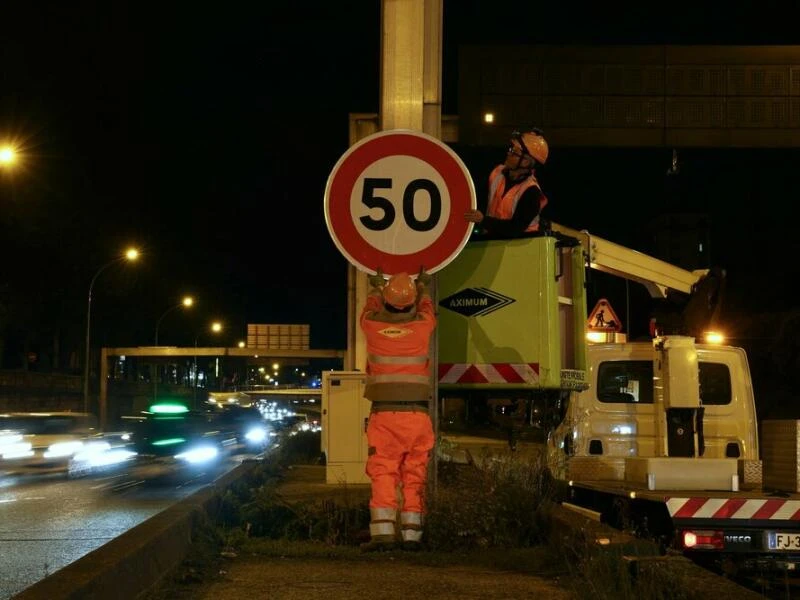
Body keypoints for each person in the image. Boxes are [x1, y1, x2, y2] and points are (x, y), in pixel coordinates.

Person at [359, 267, 437, 552]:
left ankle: (382, 535)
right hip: (417, 415)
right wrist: (424, 287)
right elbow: (427, 308)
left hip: (385, 415)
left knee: (383, 472)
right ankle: (413, 536)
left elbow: (370, 308)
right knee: (415, 474)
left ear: (387, 300)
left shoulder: (371, 326)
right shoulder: (423, 326)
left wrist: (376, 288)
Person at [464, 127, 549, 237]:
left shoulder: (531, 192)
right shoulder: (496, 173)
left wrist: (483, 220)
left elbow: (514, 228)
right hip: (497, 243)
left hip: (523, 248)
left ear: (526, 162)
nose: (509, 153)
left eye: (514, 152)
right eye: (511, 150)